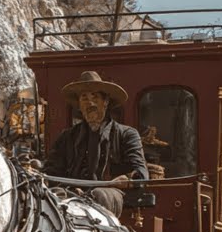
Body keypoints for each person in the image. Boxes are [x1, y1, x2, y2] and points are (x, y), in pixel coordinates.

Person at [44, 70, 149, 216]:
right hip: (72, 195)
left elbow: (141, 174)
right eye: (84, 98)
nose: (90, 103)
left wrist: (128, 179)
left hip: (111, 194)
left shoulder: (127, 134)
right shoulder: (66, 137)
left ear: (106, 102)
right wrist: (66, 188)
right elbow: (51, 173)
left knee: (99, 195)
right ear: (79, 105)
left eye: (95, 97)